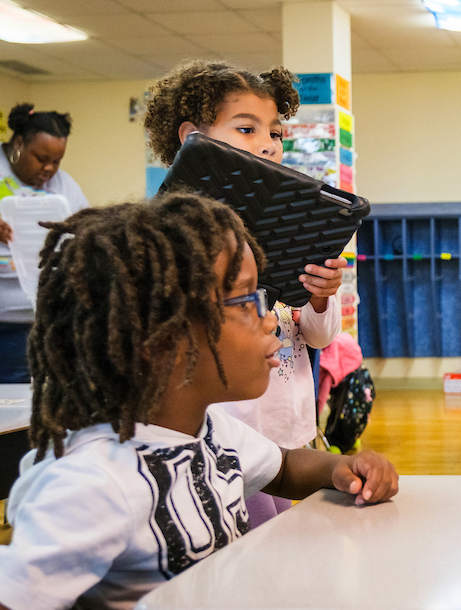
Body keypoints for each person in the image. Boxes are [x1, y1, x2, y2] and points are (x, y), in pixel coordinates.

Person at [0, 194, 398, 610]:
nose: (269, 320)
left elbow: (285, 468)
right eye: (247, 300)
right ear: (164, 339)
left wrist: (341, 467)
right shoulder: (93, 484)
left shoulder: (210, 430)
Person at [144, 60, 348, 526]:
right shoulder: (171, 233)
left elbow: (316, 338)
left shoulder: (290, 218)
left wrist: (320, 296)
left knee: (287, 543)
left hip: (289, 426)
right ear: (192, 136)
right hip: (229, 431)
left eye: (275, 132)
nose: (266, 143)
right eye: (246, 128)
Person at [0, 104, 87, 384]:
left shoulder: (64, 186)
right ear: (19, 142)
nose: (49, 168)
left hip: (32, 322)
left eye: (57, 160)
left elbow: (86, 233)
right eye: (41, 158)